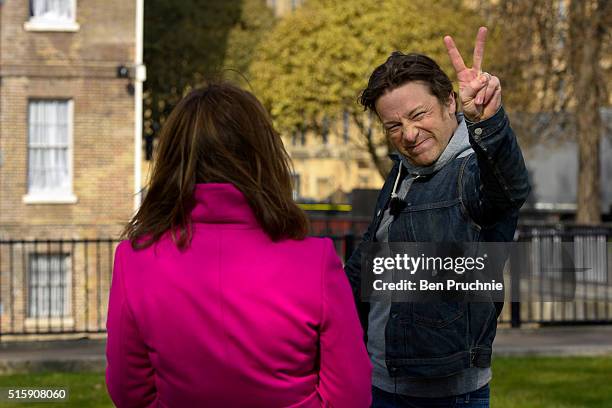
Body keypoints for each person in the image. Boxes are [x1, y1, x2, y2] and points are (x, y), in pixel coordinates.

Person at [105, 82, 372, 407]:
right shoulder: (315, 259)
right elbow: (351, 394)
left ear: (174, 158)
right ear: (263, 155)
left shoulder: (135, 260)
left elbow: (128, 391)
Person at [344, 27, 531, 407]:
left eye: (418, 115)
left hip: (447, 394)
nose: (409, 134)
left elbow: (508, 187)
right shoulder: (400, 173)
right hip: (378, 380)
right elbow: (369, 261)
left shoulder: (472, 171)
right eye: (393, 126)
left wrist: (488, 122)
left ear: (449, 102)